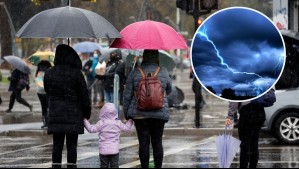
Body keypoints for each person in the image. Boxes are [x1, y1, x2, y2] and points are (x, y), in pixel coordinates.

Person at [44, 44, 91, 168]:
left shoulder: (49, 73)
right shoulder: (77, 74)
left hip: (56, 114)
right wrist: (87, 113)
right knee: (72, 145)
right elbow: (84, 95)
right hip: (73, 114)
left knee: (57, 145)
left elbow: (47, 90)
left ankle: (56, 166)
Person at [123, 50, 172, 168]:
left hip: (140, 114)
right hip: (159, 114)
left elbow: (127, 95)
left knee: (143, 143)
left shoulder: (135, 72)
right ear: (157, 57)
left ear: (144, 57)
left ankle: (144, 166)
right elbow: (169, 90)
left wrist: (127, 114)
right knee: (157, 142)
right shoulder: (163, 71)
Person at [225, 89, 276, 168]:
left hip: (247, 112)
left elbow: (234, 100)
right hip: (260, 112)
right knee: (254, 144)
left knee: (245, 145)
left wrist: (230, 116)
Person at [84, 103, 133, 168]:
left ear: (103, 112)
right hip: (114, 150)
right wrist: (131, 120)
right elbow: (126, 128)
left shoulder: (101, 123)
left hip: (103, 150)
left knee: (104, 166)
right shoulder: (117, 123)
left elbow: (91, 129)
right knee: (114, 165)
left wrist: (84, 120)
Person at [35, 60, 52, 129]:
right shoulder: (48, 72)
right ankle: (47, 122)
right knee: (48, 107)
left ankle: (45, 122)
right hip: (46, 92)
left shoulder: (38, 72)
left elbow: (38, 82)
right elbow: (42, 85)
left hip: (39, 92)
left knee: (44, 107)